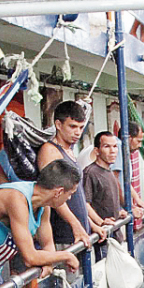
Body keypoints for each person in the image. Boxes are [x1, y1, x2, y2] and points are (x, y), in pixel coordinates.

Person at [0, 159, 83, 281]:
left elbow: (47, 244)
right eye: (70, 193)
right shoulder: (17, 199)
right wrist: (66, 256)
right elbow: (29, 257)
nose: (69, 198)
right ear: (59, 192)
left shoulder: (44, 204)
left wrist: (49, 262)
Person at [37, 100, 95, 248]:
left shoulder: (70, 151)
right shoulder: (50, 151)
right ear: (58, 124)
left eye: (81, 127)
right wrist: (75, 225)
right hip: (64, 238)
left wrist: (92, 224)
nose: (78, 132)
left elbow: (78, 196)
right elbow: (53, 195)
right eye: (72, 126)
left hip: (80, 234)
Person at [81, 131, 125, 228]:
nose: (112, 151)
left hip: (114, 231)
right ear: (97, 150)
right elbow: (85, 204)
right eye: (107, 146)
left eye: (115, 146)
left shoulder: (110, 172)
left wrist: (118, 212)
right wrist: (101, 222)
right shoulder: (90, 172)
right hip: (101, 234)